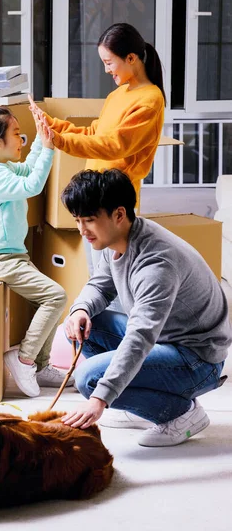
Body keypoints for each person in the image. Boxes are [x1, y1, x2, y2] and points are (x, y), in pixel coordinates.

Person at [59, 169, 231, 447]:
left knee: (90, 378)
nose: (82, 230)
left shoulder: (156, 263)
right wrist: (80, 309)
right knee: (83, 325)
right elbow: (101, 285)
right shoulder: (114, 238)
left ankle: (181, 414)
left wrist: (100, 398)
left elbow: (139, 338)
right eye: (78, 220)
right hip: (166, 339)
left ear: (118, 214)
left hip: (197, 358)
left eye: (89, 220)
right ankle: (141, 404)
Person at [29, 23, 166, 291]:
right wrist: (52, 124)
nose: (106, 70)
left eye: (109, 62)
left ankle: (120, 332)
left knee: (111, 285)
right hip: (94, 194)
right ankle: (99, 331)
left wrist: (58, 140)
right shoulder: (118, 95)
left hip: (114, 199)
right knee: (97, 279)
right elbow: (95, 132)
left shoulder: (150, 100)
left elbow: (114, 146)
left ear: (131, 58)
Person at [0, 106, 70, 398]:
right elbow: (33, 184)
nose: (21, 141)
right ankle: (23, 358)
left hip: (11, 256)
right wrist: (47, 149)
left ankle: (41, 364)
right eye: (18, 135)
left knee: (44, 299)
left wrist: (39, 143)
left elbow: (29, 170)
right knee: (56, 296)